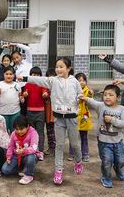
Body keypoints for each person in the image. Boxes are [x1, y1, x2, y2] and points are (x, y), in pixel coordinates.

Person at [18, 57, 83, 185]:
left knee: (75, 144)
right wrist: (25, 78)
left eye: (61, 67)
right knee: (59, 145)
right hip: (58, 119)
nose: (58, 69)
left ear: (68, 68)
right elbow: (40, 80)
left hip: (71, 119)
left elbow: (80, 94)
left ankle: (79, 161)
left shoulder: (74, 81)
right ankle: (58, 171)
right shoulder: (53, 81)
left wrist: (80, 98)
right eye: (57, 67)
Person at [81, 84, 124, 188]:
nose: (107, 97)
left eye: (111, 95)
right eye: (105, 94)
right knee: (107, 161)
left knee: (121, 160)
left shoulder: (122, 109)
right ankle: (106, 177)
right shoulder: (101, 106)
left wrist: (112, 120)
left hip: (117, 141)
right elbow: (91, 101)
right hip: (104, 142)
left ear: (118, 97)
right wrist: (84, 97)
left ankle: (118, 169)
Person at [1, 116, 40, 185]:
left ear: (27, 126)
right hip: (17, 155)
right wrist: (9, 157)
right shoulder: (13, 134)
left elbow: (34, 148)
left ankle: (29, 175)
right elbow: (10, 146)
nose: (19, 131)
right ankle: (23, 168)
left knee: (31, 157)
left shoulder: (33, 133)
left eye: (21, 129)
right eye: (17, 129)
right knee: (5, 170)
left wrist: (24, 151)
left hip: (29, 155)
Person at [22, 66, 48, 160]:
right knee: (30, 132)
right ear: (30, 75)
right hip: (29, 111)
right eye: (34, 74)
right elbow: (24, 95)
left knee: (40, 132)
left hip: (40, 112)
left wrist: (45, 95)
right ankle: (31, 149)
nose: (36, 76)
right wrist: (24, 95)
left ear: (40, 76)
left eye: (38, 75)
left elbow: (45, 93)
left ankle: (40, 151)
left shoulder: (42, 84)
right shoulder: (27, 85)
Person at [69, 73, 93, 162]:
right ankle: (72, 153)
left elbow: (90, 99)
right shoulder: (72, 91)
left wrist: (90, 94)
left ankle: (85, 154)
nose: (82, 82)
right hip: (74, 116)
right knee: (73, 136)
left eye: (83, 80)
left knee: (84, 137)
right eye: (79, 80)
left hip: (84, 118)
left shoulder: (87, 91)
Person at [0, 66, 23, 134]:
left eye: (11, 74)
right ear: (3, 74)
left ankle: (14, 144)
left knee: (15, 131)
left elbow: (20, 97)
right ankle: (5, 145)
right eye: (7, 74)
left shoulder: (17, 85)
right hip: (3, 112)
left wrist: (22, 99)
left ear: (14, 75)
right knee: (3, 132)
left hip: (15, 112)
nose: (9, 76)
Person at [43, 68, 56, 155]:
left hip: (56, 113)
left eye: (53, 77)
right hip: (47, 113)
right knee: (49, 131)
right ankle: (51, 147)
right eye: (49, 77)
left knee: (58, 131)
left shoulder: (59, 86)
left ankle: (57, 148)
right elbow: (43, 94)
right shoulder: (44, 87)